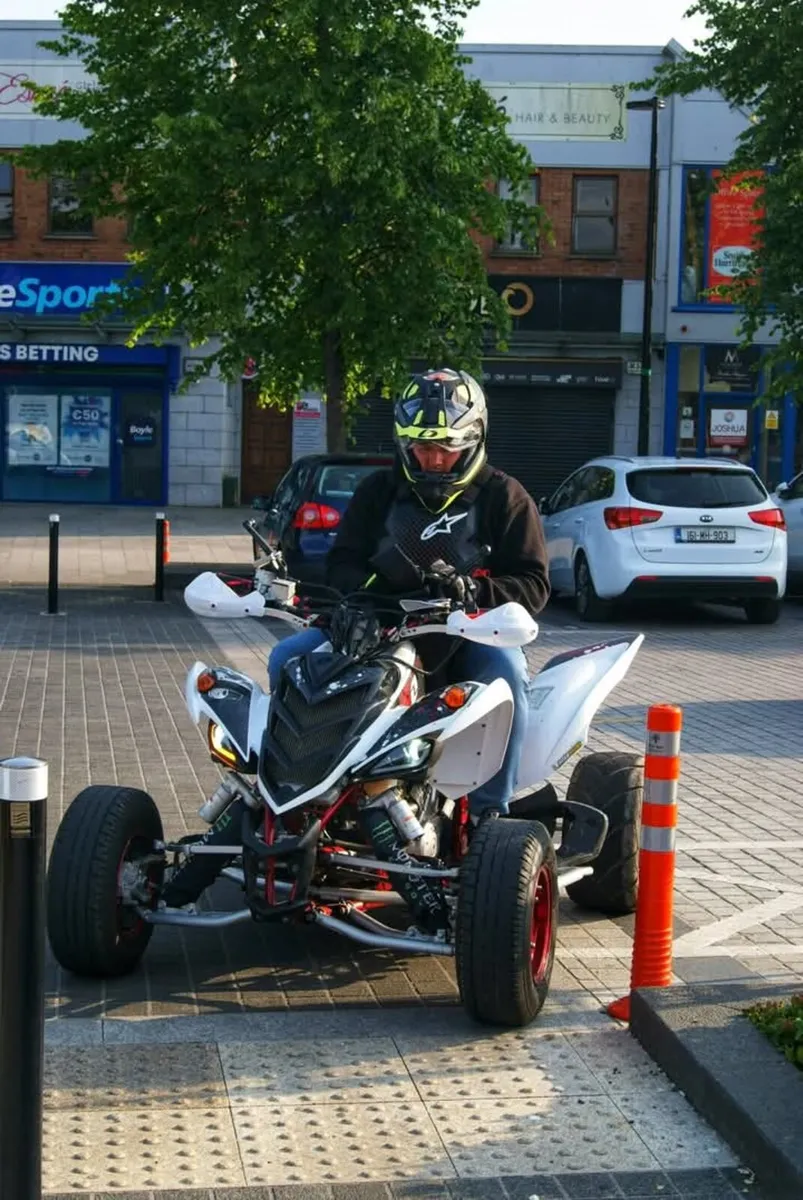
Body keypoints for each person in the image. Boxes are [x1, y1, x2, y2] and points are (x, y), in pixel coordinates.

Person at [268, 367, 551, 820]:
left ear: (472, 441)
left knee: (507, 676)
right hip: (378, 627)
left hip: (467, 634)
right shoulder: (377, 491)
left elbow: (533, 584)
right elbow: (341, 563)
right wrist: (363, 595)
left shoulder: (506, 497)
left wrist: (474, 591)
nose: (433, 460)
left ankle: (490, 814)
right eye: (421, 448)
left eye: (445, 449)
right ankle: (298, 788)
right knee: (286, 658)